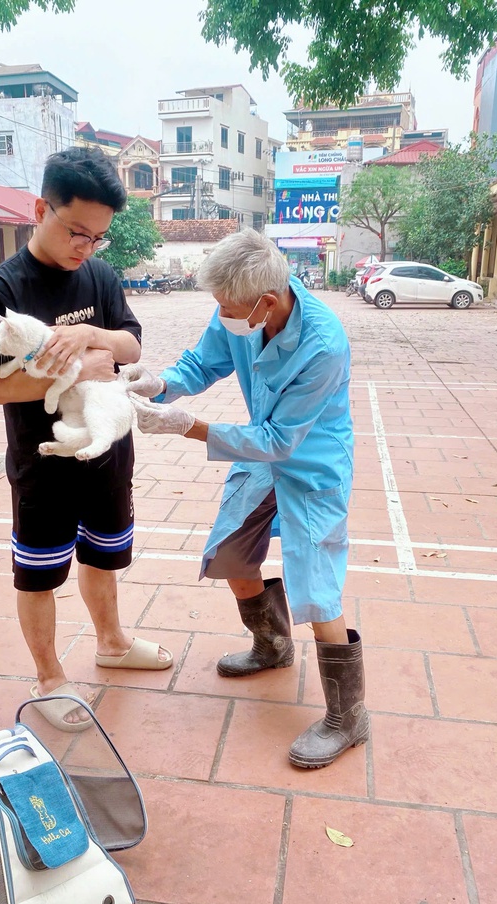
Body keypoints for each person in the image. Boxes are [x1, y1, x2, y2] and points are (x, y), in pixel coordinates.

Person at [122, 229, 368, 769]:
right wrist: (160, 385)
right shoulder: (240, 303)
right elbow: (203, 363)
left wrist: (188, 427)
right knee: (232, 554)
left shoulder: (323, 345)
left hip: (311, 462)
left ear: (268, 302)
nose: (222, 315)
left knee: (317, 588)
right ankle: (272, 645)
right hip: (259, 453)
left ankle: (348, 717)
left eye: (228, 308)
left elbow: (283, 441)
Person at [0, 147, 172, 733]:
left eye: (98, 237)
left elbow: (131, 346)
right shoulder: (0, 290)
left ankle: (110, 641)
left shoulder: (99, 276)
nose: (85, 247)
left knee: (105, 552)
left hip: (108, 451)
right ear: (41, 208)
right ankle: (49, 677)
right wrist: (79, 370)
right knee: (37, 570)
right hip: (42, 461)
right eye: (76, 231)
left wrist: (88, 334)